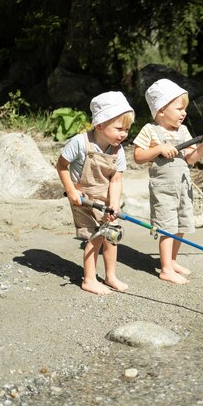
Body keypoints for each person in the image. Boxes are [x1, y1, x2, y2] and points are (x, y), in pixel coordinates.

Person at [133, 79, 203, 285]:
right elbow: (138, 156)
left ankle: (171, 260)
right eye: (179, 108)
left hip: (183, 186)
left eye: (184, 109)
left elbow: (191, 159)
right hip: (163, 188)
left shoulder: (183, 131)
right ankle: (165, 269)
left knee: (180, 225)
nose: (183, 113)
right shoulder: (150, 130)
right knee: (167, 227)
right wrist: (159, 149)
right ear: (161, 110)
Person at [56, 91, 135, 295]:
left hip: (107, 198)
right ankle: (89, 279)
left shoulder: (118, 149)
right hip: (83, 198)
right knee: (95, 237)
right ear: (100, 125)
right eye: (119, 128)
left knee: (112, 236)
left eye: (127, 129)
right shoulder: (80, 143)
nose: (124, 134)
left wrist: (115, 204)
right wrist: (71, 190)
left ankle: (111, 276)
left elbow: (116, 179)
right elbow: (61, 165)